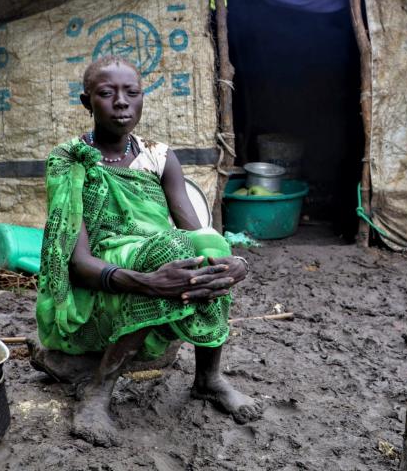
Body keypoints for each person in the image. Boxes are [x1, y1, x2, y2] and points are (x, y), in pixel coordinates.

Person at [32, 55, 262, 447]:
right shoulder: (69, 160)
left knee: (209, 249)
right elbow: (76, 262)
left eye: (131, 93)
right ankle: (98, 391)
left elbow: (198, 232)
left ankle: (208, 378)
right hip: (102, 276)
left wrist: (232, 262)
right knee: (172, 251)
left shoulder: (158, 155)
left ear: (142, 100)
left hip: (161, 259)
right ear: (87, 103)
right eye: (106, 94)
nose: (121, 102)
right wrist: (148, 283)